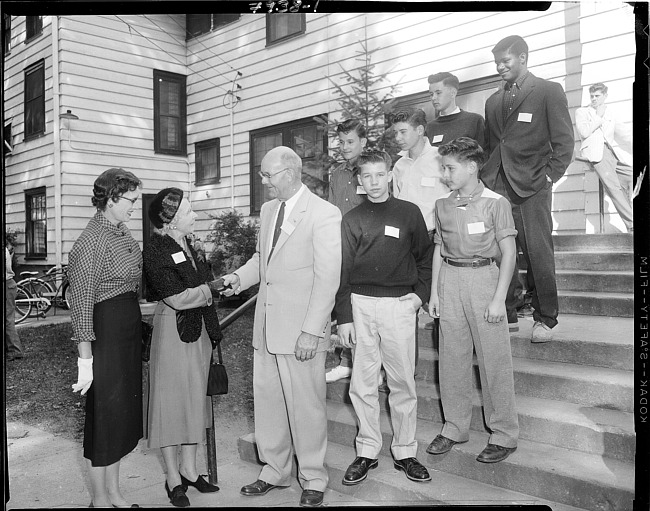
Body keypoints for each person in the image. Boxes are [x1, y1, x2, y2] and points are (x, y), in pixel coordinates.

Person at [221, 146, 342, 508]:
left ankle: (313, 477)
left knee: (307, 408)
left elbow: (328, 277)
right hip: (268, 328)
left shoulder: (323, 214)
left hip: (302, 332)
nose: (263, 181)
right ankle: (274, 469)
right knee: (269, 404)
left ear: (289, 173)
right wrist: (236, 279)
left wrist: (311, 329)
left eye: (267, 174)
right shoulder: (269, 210)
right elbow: (264, 260)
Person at [335, 150, 433, 486]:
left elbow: (425, 258)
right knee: (362, 384)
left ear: (389, 174)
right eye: (367, 176)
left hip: (398, 306)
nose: (374, 182)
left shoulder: (408, 213)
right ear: (359, 180)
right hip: (361, 306)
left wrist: (419, 296)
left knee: (402, 381)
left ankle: (405, 451)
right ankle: (367, 450)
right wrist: (344, 316)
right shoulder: (351, 219)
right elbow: (343, 271)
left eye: (380, 174)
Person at [425, 137, 519, 464]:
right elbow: (439, 247)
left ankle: (504, 433)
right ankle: (455, 426)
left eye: (450, 168)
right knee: (452, 357)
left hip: (484, 279)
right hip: (450, 280)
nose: (445, 174)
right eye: (443, 168)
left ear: (471, 167)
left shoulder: (496, 203)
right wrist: (435, 292)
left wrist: (498, 300)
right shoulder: (442, 205)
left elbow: (509, 253)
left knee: (494, 359)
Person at [481, 35, 574, 342]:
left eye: (505, 61)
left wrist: (549, 177)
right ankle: (507, 313)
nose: (499, 67)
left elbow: (564, 142)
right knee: (498, 251)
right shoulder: (493, 101)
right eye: (496, 62)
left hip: (533, 185)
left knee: (537, 253)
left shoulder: (548, 91)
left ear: (523, 58)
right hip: (498, 186)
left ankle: (546, 319)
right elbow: (495, 144)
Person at [68, 167, 144, 508]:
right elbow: (81, 305)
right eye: (131, 200)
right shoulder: (92, 240)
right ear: (112, 198)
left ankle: (114, 493)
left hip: (125, 328)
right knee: (105, 416)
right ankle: (99, 499)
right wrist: (86, 361)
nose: (134, 206)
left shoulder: (120, 230)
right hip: (106, 332)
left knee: (120, 415)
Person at [143, 188, 223, 508]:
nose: (196, 216)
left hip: (199, 330)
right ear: (172, 220)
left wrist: (207, 281)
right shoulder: (156, 248)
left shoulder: (191, 245)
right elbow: (175, 298)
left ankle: (190, 470)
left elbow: (205, 281)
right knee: (170, 402)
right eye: (189, 212)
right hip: (173, 331)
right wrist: (209, 290)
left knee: (194, 400)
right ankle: (173, 478)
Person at [392, 108, 449, 336]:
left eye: (403, 132)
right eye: (395, 133)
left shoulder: (439, 159)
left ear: (420, 130)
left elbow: (450, 196)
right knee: (410, 297)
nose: (398, 138)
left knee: (440, 296)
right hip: (407, 240)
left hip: (434, 236)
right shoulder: (399, 166)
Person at [325, 119, 368, 383]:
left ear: (363, 142)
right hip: (344, 246)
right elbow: (331, 211)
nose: (344, 147)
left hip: (369, 246)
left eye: (350, 141)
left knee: (367, 306)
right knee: (346, 303)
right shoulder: (337, 174)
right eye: (341, 142)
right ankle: (346, 361)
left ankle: (372, 364)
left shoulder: (373, 168)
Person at [575, 82, 633, 232]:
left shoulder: (610, 113)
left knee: (634, 176)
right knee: (614, 188)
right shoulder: (582, 112)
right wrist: (598, 117)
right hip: (596, 155)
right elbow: (584, 132)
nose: (594, 99)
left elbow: (624, 134)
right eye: (592, 96)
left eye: (597, 96)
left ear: (605, 96)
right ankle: (632, 224)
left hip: (611, 154)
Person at [426, 72, 485, 148]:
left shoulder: (474, 121)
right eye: (431, 94)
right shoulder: (429, 128)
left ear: (453, 93)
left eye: (438, 93)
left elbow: (483, 155)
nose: (433, 98)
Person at [5, 241, 24, 361]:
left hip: (6, 285)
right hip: (8, 284)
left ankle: (15, 350)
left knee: (7, 320)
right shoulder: (6, 249)